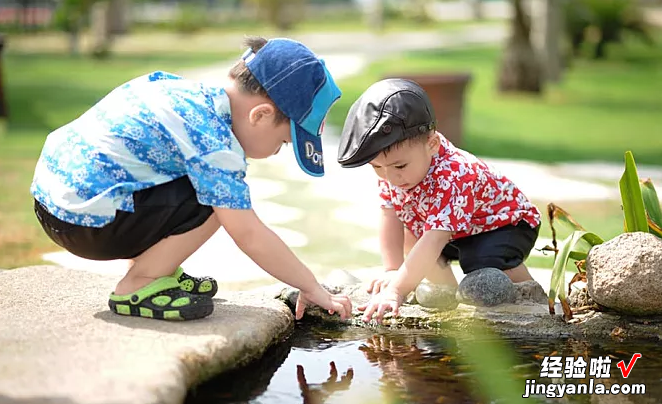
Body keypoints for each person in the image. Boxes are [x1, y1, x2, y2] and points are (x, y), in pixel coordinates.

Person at [30, 36, 352, 322]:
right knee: (220, 202)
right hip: (85, 224)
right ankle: (139, 284)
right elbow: (248, 233)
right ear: (261, 115)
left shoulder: (185, 94)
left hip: (55, 203)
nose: (276, 152)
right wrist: (310, 286)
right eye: (283, 143)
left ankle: (157, 270)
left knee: (203, 185)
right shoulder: (213, 141)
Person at [336, 78, 541, 324]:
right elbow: (390, 215)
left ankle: (531, 297)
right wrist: (392, 270)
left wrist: (396, 290)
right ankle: (447, 298)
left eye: (399, 165)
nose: (390, 177)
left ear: (432, 144)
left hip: (505, 225)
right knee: (412, 234)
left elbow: (435, 238)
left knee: (480, 261)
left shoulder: (454, 174)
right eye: (377, 167)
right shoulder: (394, 171)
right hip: (457, 230)